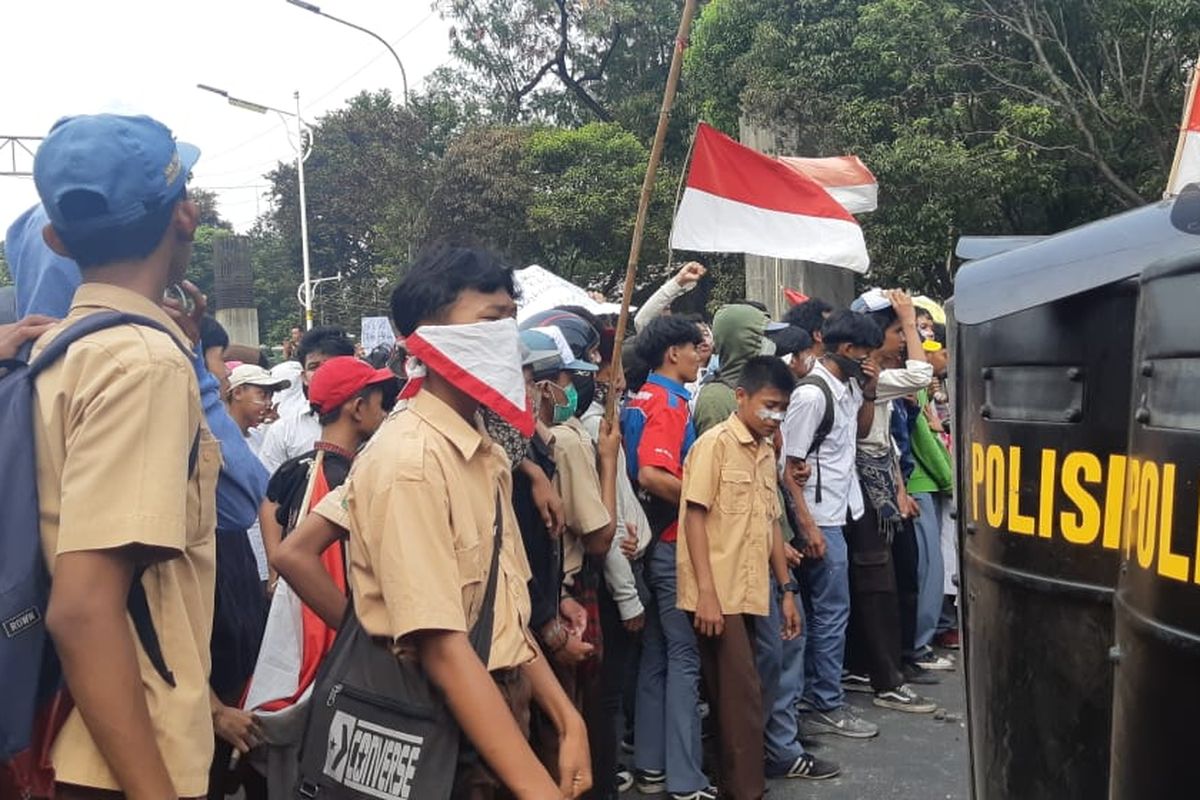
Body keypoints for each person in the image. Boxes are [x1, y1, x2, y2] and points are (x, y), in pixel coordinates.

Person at [294, 245, 591, 797]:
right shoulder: (410, 460)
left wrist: (566, 717)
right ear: (429, 334)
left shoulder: (484, 451)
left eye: (510, 319)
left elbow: (502, 614)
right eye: (490, 320)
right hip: (446, 727)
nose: (506, 337)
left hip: (498, 711)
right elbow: (443, 647)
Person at [29, 113, 217, 799]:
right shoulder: (141, 363)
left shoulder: (50, 351)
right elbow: (83, 608)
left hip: (68, 731)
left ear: (55, 239)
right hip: (126, 758)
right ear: (186, 216)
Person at [677, 356, 805, 798]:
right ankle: (746, 791)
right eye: (769, 406)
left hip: (754, 592)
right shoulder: (714, 445)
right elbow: (694, 518)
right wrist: (707, 595)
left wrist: (786, 589)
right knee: (739, 701)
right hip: (720, 594)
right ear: (741, 397)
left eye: (782, 409)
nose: (775, 417)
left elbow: (770, 523)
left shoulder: (765, 451)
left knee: (745, 697)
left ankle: (740, 786)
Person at [620, 315, 713, 799]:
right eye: (695, 348)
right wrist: (704, 504)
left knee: (657, 654)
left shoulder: (640, 398)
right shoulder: (671, 403)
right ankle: (685, 778)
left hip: (647, 541)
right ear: (673, 353)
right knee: (683, 657)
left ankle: (652, 766)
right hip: (672, 540)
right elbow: (655, 474)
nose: (702, 356)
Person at [781, 309, 883, 739]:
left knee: (829, 610)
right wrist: (809, 527)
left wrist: (871, 389)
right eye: (866, 353)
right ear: (846, 349)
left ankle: (816, 694)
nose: (870, 360)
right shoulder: (812, 396)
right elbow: (788, 467)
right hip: (821, 517)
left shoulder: (848, 387)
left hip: (843, 508)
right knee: (830, 611)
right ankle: (825, 701)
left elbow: (857, 435)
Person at [840, 290, 939, 713]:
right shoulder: (868, 380)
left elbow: (891, 442)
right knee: (877, 583)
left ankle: (889, 665)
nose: (905, 338)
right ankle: (882, 674)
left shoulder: (874, 376)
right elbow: (921, 374)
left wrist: (898, 486)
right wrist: (906, 314)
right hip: (861, 486)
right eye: (899, 331)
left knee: (894, 577)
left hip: (880, 478)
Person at [693, 303, 777, 436]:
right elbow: (713, 454)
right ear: (743, 343)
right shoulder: (715, 400)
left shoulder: (758, 390)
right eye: (763, 337)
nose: (771, 343)